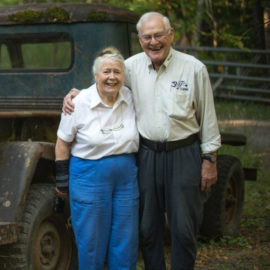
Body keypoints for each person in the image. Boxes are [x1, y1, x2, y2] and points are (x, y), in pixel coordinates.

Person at [63, 12, 221, 270]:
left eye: (159, 35)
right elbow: (106, 82)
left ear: (170, 35)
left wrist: (210, 159)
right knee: (148, 228)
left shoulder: (193, 69)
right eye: (147, 37)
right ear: (140, 39)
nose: (154, 42)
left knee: (183, 228)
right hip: (147, 155)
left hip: (184, 154)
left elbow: (209, 119)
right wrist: (76, 94)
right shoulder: (132, 67)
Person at [55, 47, 140, 270]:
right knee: (92, 241)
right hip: (89, 175)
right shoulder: (78, 102)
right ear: (96, 75)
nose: (112, 77)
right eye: (106, 72)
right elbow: (62, 142)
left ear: (124, 76)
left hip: (126, 175)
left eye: (117, 72)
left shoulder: (130, 97)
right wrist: (62, 180)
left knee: (125, 238)